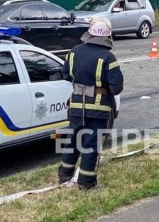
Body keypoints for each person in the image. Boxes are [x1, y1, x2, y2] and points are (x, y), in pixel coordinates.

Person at [58, 17, 124, 190]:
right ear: (108, 36)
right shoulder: (108, 57)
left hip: (76, 107)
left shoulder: (74, 51)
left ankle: (64, 176)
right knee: (91, 145)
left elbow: (65, 74)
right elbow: (116, 87)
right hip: (98, 109)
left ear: (90, 33)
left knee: (73, 141)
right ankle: (86, 183)